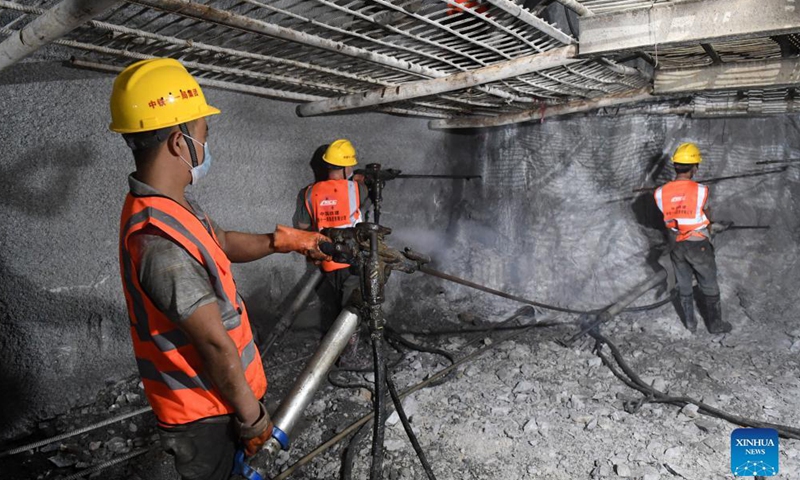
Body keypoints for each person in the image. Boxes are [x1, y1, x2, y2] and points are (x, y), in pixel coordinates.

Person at [110, 58, 330, 480]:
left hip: (217, 399)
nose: (208, 144)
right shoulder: (159, 244)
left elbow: (221, 242)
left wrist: (282, 241)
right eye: (204, 133)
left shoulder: (170, 205)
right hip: (202, 414)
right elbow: (214, 345)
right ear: (179, 143)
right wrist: (254, 420)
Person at [292, 139, 369, 361]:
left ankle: (334, 345)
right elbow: (366, 199)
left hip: (325, 258)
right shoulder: (358, 189)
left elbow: (303, 228)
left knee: (334, 303)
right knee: (352, 305)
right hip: (353, 259)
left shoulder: (307, 193)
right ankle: (347, 351)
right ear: (346, 167)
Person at [654, 143, 732, 334]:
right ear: (695, 167)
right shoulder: (701, 190)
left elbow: (673, 217)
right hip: (698, 244)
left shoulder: (659, 193)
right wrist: (710, 224)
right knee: (709, 282)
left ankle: (690, 323)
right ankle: (715, 325)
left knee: (684, 283)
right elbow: (705, 214)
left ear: (675, 166)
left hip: (676, 243)